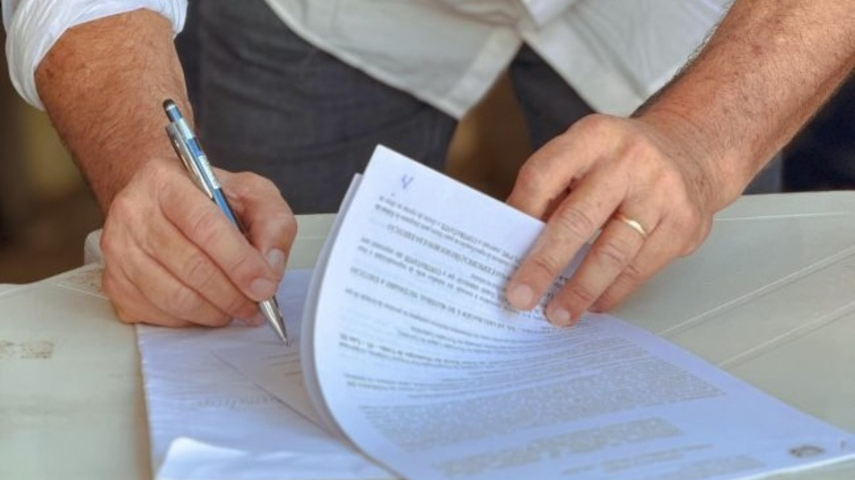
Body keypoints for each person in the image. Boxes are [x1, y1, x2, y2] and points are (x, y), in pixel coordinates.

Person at [3, 0, 854, 330]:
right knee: (228, 305)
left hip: (682, 23)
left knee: (704, 341)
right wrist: (142, 164)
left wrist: (703, 140)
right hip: (331, 15)